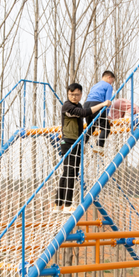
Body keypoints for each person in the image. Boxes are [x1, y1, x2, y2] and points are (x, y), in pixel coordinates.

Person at [53, 83, 111, 214]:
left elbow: (81, 123)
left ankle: (58, 204)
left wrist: (82, 143)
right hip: (69, 142)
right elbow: (84, 113)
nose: (74, 97)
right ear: (68, 94)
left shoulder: (78, 105)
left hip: (75, 142)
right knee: (70, 173)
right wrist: (102, 104)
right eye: (71, 94)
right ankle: (67, 205)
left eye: (76, 94)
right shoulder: (67, 106)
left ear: (81, 95)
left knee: (68, 172)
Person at [84, 71, 116, 154]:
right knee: (106, 128)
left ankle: (82, 144)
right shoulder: (108, 86)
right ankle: (99, 145)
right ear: (109, 77)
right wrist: (106, 115)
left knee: (90, 128)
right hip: (97, 104)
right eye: (112, 81)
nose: (111, 83)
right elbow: (108, 101)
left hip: (87, 105)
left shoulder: (95, 85)